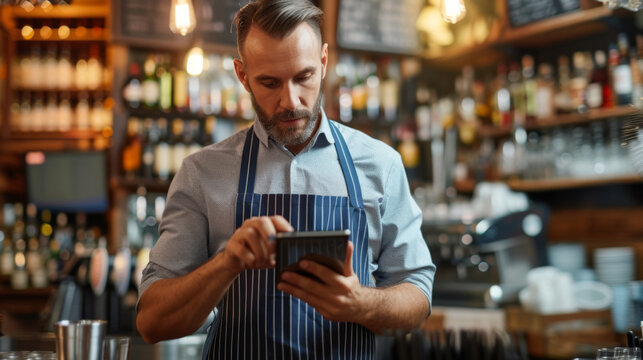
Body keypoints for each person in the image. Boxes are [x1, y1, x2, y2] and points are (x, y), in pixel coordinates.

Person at [136, 0, 436, 358]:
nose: (290, 101)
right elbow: (152, 322)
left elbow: (417, 295)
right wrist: (226, 263)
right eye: (269, 82)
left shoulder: (380, 164)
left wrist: (360, 303)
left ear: (324, 62)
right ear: (242, 76)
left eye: (303, 77)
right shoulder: (202, 173)